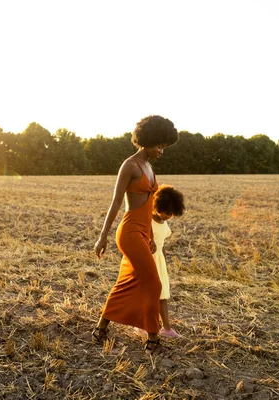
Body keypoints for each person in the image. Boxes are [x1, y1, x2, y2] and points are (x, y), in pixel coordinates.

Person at [93, 115, 178, 354]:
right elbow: (116, 202)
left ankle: (100, 327)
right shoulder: (130, 165)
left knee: (129, 282)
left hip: (143, 231)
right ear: (147, 140)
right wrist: (103, 236)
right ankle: (153, 338)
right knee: (153, 282)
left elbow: (150, 206)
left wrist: (151, 235)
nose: (162, 150)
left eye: (165, 146)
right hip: (129, 232)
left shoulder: (150, 167)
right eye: (158, 145)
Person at [151, 184, 185, 338]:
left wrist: (164, 261)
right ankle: (140, 325)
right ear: (157, 206)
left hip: (160, 262)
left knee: (163, 295)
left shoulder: (164, 222)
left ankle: (167, 328)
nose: (168, 216)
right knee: (148, 296)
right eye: (166, 212)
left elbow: (162, 245)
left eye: (171, 214)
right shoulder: (147, 221)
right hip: (148, 261)